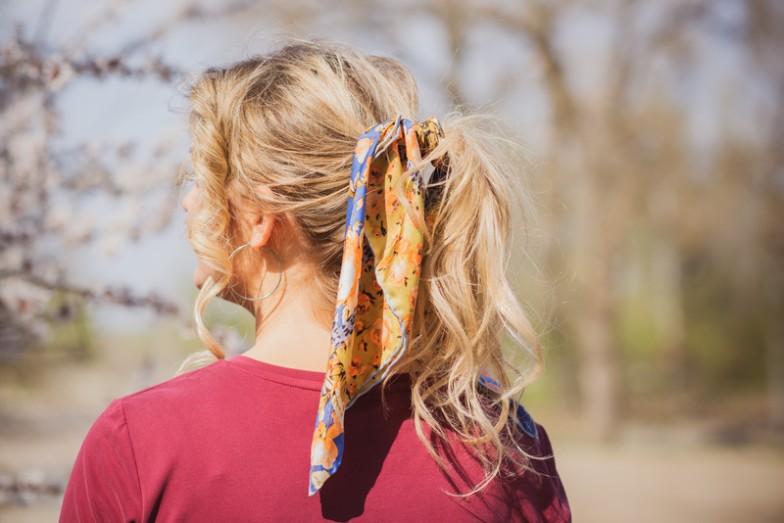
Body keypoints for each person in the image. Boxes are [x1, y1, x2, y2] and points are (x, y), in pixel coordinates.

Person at [59, 40, 571, 522]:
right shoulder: (504, 450)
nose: (190, 203)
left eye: (204, 181)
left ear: (259, 215)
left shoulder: (140, 445)